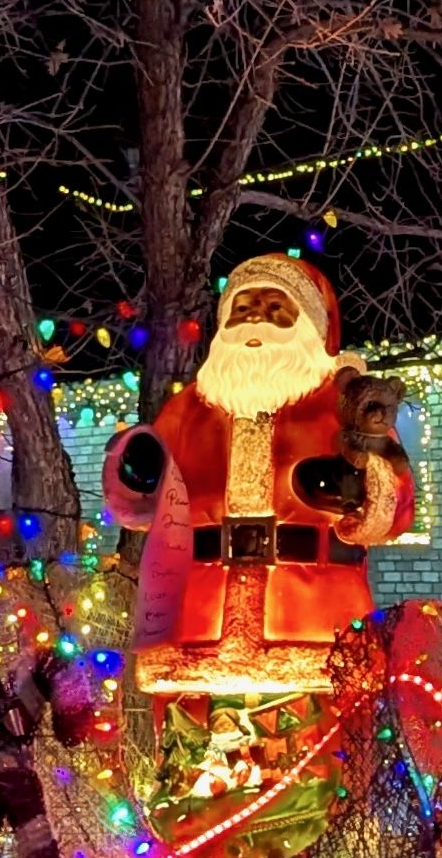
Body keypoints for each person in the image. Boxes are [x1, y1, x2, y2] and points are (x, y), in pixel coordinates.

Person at [101, 255, 415, 695]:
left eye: (275, 309)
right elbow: (136, 508)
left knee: (321, 755)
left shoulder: (347, 409)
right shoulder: (188, 410)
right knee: (193, 757)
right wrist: (135, 471)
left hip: (316, 625)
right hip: (195, 629)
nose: (256, 322)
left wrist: (363, 479)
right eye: (244, 308)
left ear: (310, 324)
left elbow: (394, 515)